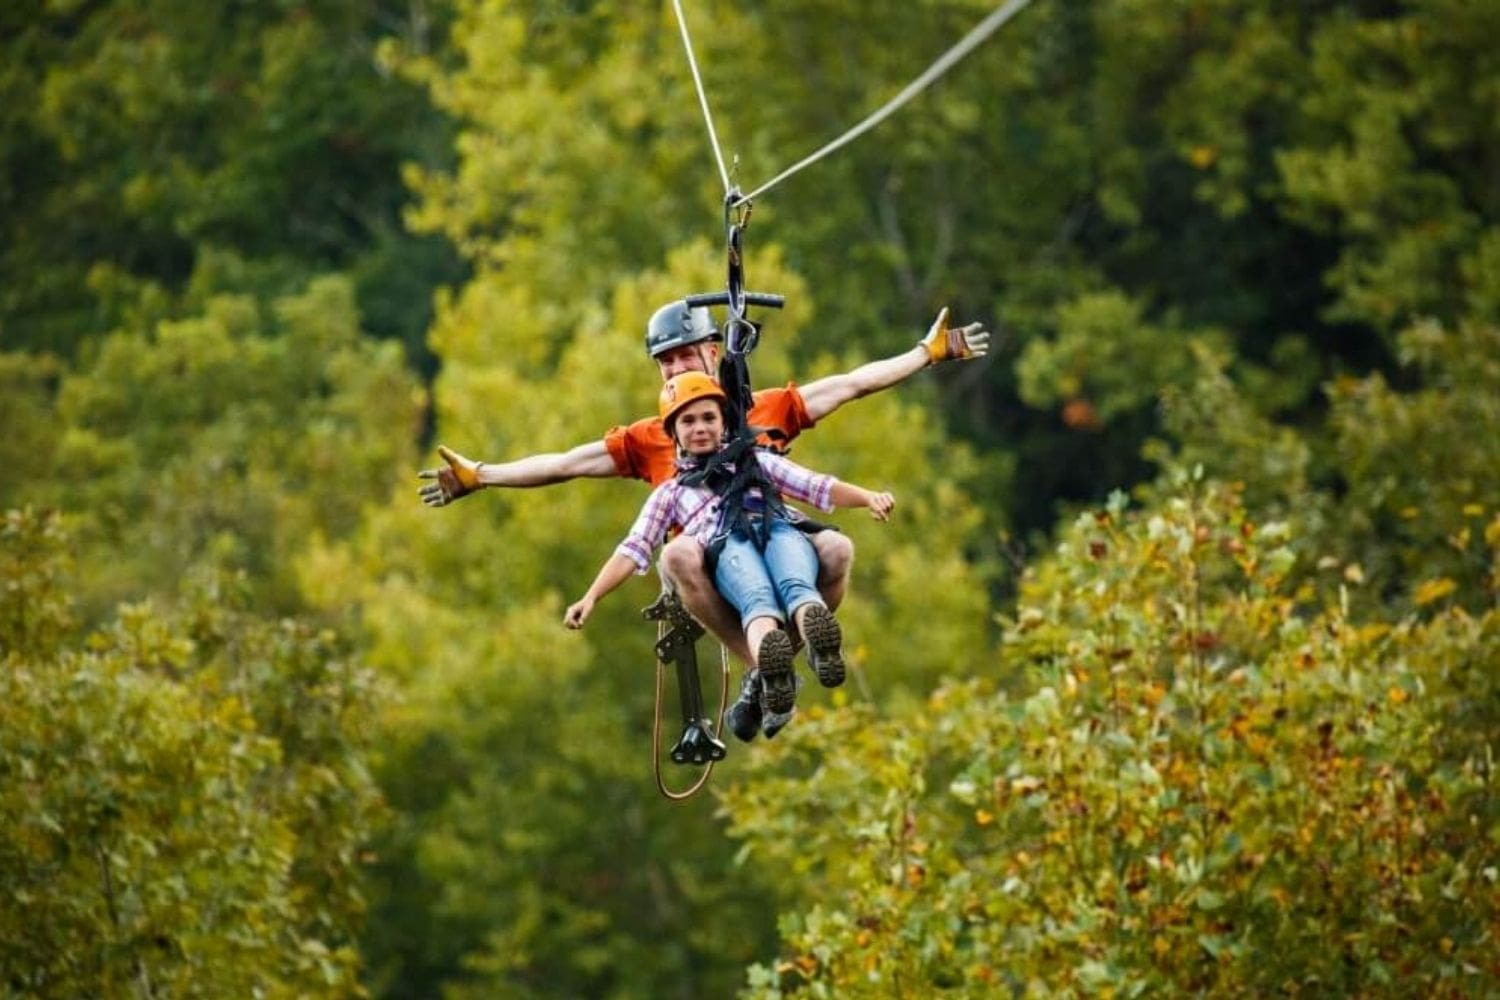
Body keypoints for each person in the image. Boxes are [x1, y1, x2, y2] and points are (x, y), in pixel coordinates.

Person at [420, 300, 987, 665]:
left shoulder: (759, 411)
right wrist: (485, 476)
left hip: (774, 537)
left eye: (685, 355)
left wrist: (924, 354)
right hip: (713, 563)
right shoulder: (654, 436)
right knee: (680, 552)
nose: (675, 369)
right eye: (665, 363)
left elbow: (850, 385)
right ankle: (755, 661)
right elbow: (567, 463)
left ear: (713, 353)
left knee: (836, 547)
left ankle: (799, 643)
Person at [563, 373, 894, 740]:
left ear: (724, 423)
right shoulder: (671, 493)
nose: (700, 429)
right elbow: (634, 547)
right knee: (758, 599)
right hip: (728, 546)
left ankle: (816, 636)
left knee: (797, 583)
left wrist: (867, 497)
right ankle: (771, 661)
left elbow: (814, 485)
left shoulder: (754, 461)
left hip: (779, 529)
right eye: (688, 422)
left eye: (709, 419)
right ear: (673, 434)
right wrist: (592, 595)